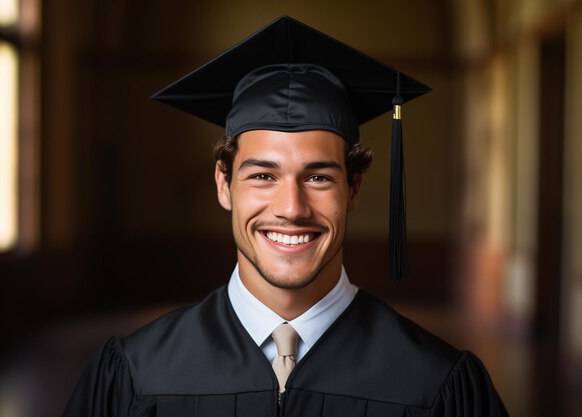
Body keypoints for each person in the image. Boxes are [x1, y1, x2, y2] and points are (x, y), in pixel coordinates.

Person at [62, 16, 509, 417]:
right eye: (262, 175)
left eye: (318, 178)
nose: (292, 208)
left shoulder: (435, 383)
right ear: (224, 184)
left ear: (353, 189)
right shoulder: (136, 375)